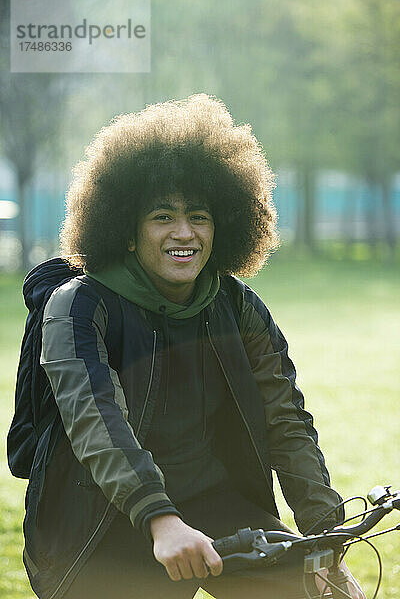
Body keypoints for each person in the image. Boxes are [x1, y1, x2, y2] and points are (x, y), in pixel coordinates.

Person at [20, 94, 364, 599]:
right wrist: (161, 519)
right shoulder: (78, 306)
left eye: (198, 216)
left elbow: (285, 419)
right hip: (99, 522)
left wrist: (324, 531)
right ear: (128, 232)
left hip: (213, 498)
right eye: (162, 216)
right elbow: (98, 423)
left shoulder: (236, 305)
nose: (184, 233)